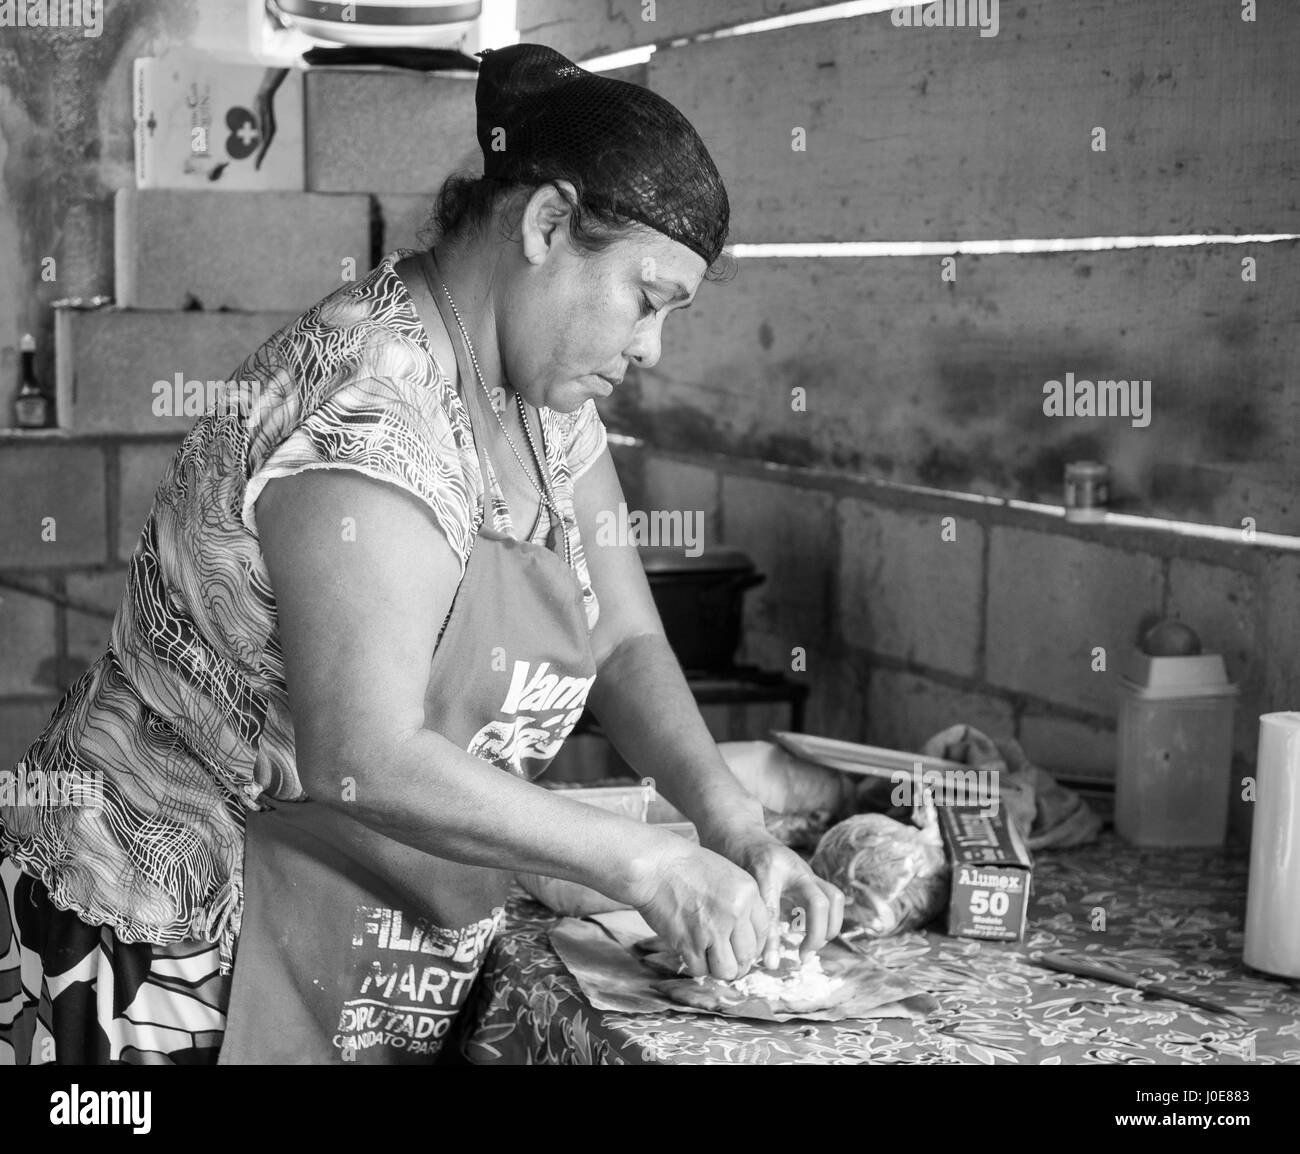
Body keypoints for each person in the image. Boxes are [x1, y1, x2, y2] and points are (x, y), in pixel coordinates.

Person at [0, 42, 843, 1066]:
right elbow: (366, 754)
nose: (653, 348)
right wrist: (647, 866)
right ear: (544, 225)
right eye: (647, 298)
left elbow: (619, 635)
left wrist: (732, 826)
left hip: (345, 924)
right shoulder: (371, 409)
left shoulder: (544, 404)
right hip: (157, 946)